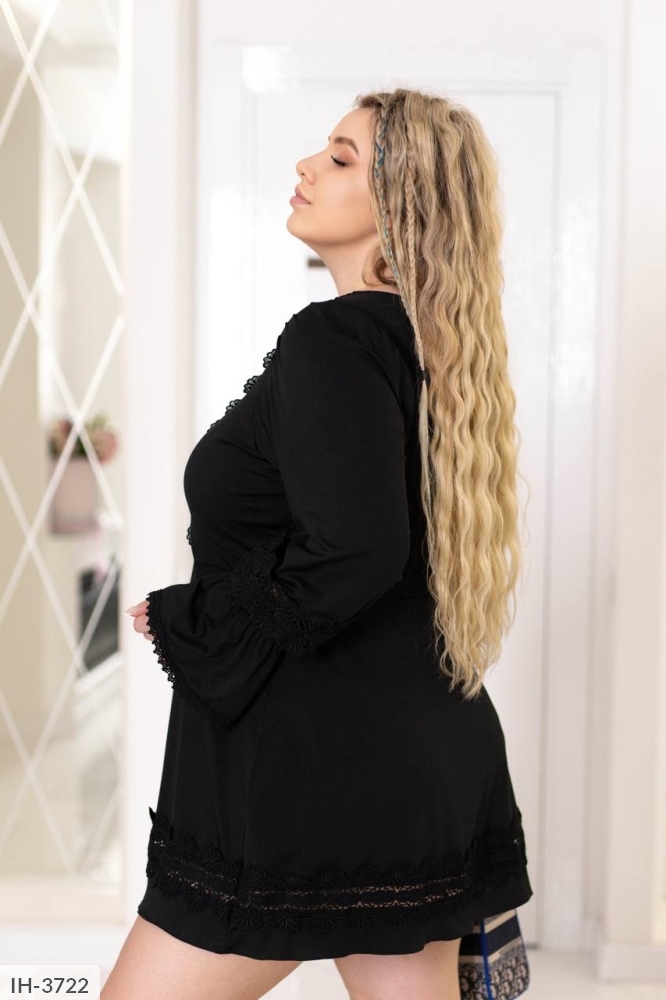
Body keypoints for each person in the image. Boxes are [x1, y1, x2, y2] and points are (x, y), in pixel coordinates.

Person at [102, 87, 533, 1000]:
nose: (306, 165)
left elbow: (357, 552)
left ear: (401, 200)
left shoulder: (335, 341)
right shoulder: (425, 345)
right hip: (415, 762)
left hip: (319, 781)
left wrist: (201, 618)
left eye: (341, 158)